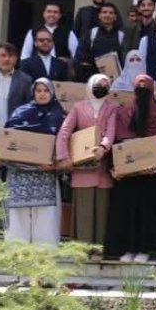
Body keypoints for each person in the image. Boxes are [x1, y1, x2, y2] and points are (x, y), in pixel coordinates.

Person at [105, 74, 156, 262]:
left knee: (146, 212)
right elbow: (118, 140)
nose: (142, 87)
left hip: (151, 173)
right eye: (138, 84)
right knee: (128, 211)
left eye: (145, 84)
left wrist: (155, 164)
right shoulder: (124, 112)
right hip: (128, 172)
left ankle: (143, 249)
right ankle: (128, 248)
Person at [55, 74, 117, 257]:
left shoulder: (112, 108)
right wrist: (63, 156)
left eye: (106, 85)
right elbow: (64, 131)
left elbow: (110, 131)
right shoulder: (78, 107)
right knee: (83, 214)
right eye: (98, 84)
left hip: (102, 169)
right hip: (81, 170)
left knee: (102, 213)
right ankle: (81, 252)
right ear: (90, 86)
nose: (102, 87)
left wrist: (104, 147)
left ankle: (98, 251)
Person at [0, 79, 66, 244]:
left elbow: (65, 143)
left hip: (45, 173)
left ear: (52, 93)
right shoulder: (20, 112)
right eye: (39, 91)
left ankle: (45, 256)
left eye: (46, 90)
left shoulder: (59, 115)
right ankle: (18, 255)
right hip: (19, 174)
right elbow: (7, 139)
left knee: (45, 215)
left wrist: (55, 162)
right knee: (18, 215)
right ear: (33, 93)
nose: (42, 94)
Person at [73, 2, 125, 82]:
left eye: (111, 13)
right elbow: (81, 56)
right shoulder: (90, 34)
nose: (107, 15)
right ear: (99, 16)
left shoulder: (121, 35)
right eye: (104, 12)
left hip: (115, 81)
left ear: (115, 17)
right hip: (93, 79)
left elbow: (123, 59)